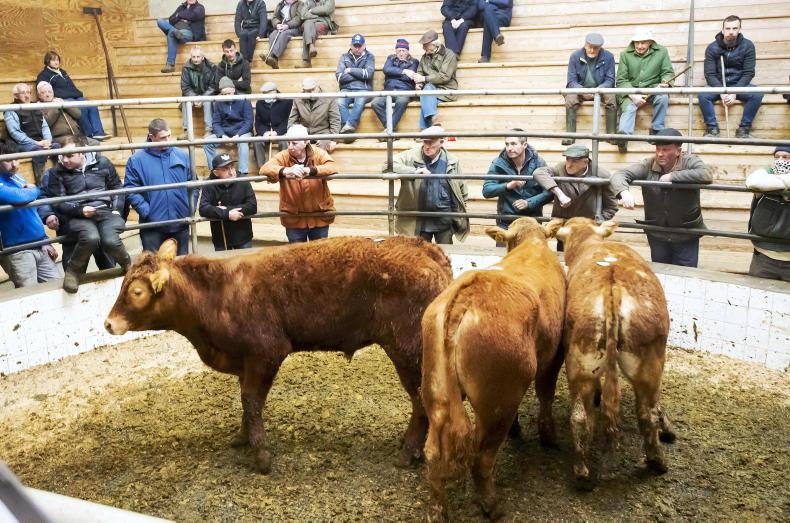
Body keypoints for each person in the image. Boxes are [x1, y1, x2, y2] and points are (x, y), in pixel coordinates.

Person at [610, 128, 712, 267]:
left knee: (686, 273)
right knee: (661, 270)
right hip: (657, 233)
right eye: (658, 149)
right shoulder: (648, 164)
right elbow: (620, 174)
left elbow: (706, 174)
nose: (660, 154)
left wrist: (672, 176)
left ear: (678, 151)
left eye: (665, 149)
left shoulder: (690, 161)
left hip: (686, 232)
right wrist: (624, 192)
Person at [46, 143, 131, 293]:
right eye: (62, 156)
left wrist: (117, 210)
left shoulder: (103, 163)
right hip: (76, 216)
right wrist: (80, 210)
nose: (65, 160)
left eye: (70, 156)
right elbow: (58, 201)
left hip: (104, 212)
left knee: (110, 241)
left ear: (82, 153)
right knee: (91, 237)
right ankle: (73, 273)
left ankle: (129, 266)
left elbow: (117, 187)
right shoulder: (56, 172)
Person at [124, 119, 193, 256]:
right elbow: (130, 189)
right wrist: (147, 211)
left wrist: (189, 207)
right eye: (163, 137)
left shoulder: (182, 155)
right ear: (151, 137)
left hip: (180, 222)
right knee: (152, 264)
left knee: (181, 265)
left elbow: (193, 184)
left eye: (169, 136)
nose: (167, 140)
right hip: (152, 226)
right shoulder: (136, 160)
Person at [259, 124, 338, 243]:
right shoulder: (283, 156)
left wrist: (311, 170)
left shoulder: (318, 153)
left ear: (306, 142)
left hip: (319, 216)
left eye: (294, 143)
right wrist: (285, 171)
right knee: (296, 254)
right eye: (288, 142)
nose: (290, 147)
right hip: (294, 218)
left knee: (319, 253)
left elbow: (332, 167)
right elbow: (264, 169)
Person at [0, 142, 63, 288]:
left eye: (17, 159)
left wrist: (45, 241)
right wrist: (35, 190)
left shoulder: (18, 178)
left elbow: (32, 210)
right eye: (8, 160)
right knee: (28, 294)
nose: (14, 164)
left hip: (38, 244)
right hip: (16, 251)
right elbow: (19, 197)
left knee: (57, 287)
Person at [392, 126, 468, 244]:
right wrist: (413, 172)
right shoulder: (411, 156)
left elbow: (461, 187)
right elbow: (388, 164)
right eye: (425, 142)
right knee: (420, 252)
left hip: (444, 219)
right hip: (419, 221)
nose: (427, 146)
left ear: (441, 142)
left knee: (445, 252)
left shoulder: (452, 161)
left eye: (431, 142)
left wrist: (459, 212)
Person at [700, 15, 763, 138]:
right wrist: (721, 91)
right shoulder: (712, 47)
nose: (731, 32)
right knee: (703, 95)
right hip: (718, 85)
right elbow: (710, 74)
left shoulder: (748, 46)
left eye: (734, 28)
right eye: (728, 28)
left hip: (739, 85)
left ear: (739, 29)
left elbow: (749, 72)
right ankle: (712, 129)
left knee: (757, 94)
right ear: (723, 30)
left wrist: (734, 91)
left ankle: (743, 130)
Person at [615, 28, 674, 153]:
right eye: (637, 42)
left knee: (663, 97)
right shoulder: (625, 55)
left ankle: (657, 130)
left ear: (650, 42)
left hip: (653, 88)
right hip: (631, 89)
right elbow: (621, 80)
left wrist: (665, 82)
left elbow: (668, 72)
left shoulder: (662, 52)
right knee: (629, 107)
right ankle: (623, 138)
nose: (640, 46)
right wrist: (632, 95)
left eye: (643, 43)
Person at [482, 130, 551, 230]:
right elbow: (487, 191)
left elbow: (549, 192)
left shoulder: (539, 163)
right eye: (507, 144)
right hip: (506, 221)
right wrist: (508, 185)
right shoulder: (498, 163)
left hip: (532, 221)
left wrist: (529, 203)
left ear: (524, 145)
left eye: (513, 144)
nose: (509, 148)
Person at [35, 51, 110, 141]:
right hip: (63, 98)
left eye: (57, 60)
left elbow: (71, 86)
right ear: (47, 61)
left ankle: (98, 132)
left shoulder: (62, 72)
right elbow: (41, 89)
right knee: (81, 108)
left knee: (92, 105)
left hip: (75, 96)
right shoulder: (44, 75)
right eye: (53, 60)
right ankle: (88, 134)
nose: (56, 62)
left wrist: (79, 94)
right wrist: (52, 98)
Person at [533, 144, 619, 222]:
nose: (569, 165)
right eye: (567, 159)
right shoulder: (560, 168)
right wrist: (560, 194)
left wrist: (596, 222)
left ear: (585, 162)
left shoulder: (601, 175)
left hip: (585, 227)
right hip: (562, 224)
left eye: (574, 161)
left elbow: (611, 206)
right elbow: (539, 172)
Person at [744, 146, 790, 281]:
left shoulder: (768, 177)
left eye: (786, 157)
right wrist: (785, 182)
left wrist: (775, 183)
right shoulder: (766, 172)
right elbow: (753, 182)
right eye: (777, 157)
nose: (780, 161)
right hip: (764, 255)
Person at [563, 33, 617, 146]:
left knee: (611, 97)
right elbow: (571, 81)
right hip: (580, 90)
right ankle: (570, 135)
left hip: (601, 90)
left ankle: (611, 135)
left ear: (600, 47)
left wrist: (599, 89)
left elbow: (610, 80)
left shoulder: (608, 57)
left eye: (596, 48)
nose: (592, 50)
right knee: (570, 98)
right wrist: (582, 90)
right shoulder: (575, 56)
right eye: (590, 47)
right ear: (585, 44)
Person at [3, 83, 61, 185]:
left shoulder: (35, 106)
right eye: (23, 93)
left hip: (39, 142)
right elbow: (15, 133)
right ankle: (41, 183)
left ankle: (58, 178)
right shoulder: (10, 109)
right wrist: (37, 143)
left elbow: (44, 126)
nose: (26, 95)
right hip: (20, 144)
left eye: (28, 92)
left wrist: (48, 141)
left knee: (56, 146)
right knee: (39, 151)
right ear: (16, 95)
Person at [199, 153, 257, 251]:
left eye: (232, 167)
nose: (231, 172)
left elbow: (252, 206)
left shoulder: (243, 180)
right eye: (226, 169)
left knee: (244, 261)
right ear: (216, 173)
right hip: (221, 237)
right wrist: (227, 214)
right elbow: (203, 209)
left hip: (242, 236)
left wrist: (225, 211)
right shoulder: (209, 184)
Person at [405, 30, 458, 130]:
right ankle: (433, 125)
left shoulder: (449, 54)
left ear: (434, 44)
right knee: (427, 94)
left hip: (446, 90)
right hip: (430, 90)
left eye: (425, 45)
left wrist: (424, 79)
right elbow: (420, 72)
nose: (423, 48)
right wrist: (419, 83)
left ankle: (426, 129)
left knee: (427, 94)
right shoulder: (424, 57)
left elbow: (444, 77)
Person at [204, 77, 253, 176]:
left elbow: (249, 122)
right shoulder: (218, 102)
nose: (226, 96)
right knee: (206, 142)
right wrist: (222, 135)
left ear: (234, 90)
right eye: (224, 94)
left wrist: (238, 135)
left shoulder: (244, 100)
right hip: (225, 132)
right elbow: (216, 123)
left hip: (241, 131)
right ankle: (214, 171)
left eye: (228, 93)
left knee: (243, 142)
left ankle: (243, 173)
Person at [371, 39, 419, 135]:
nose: (401, 53)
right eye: (399, 51)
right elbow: (386, 70)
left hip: (404, 91)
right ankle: (392, 129)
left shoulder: (414, 61)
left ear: (408, 51)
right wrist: (404, 71)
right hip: (388, 90)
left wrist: (394, 73)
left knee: (402, 102)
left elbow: (409, 78)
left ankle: (389, 130)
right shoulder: (391, 58)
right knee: (375, 103)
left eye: (403, 51)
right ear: (396, 51)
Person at [36, 81, 99, 147]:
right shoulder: (39, 107)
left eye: (49, 92)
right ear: (39, 95)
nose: (47, 94)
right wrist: (56, 107)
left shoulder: (60, 100)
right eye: (43, 93)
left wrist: (64, 104)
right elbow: (47, 122)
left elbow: (78, 114)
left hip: (75, 135)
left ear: (53, 92)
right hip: (59, 137)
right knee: (75, 145)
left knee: (95, 143)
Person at [336, 33, 375, 139]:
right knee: (339, 102)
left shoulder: (369, 57)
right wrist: (359, 75)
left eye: (359, 46)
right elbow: (339, 77)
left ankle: (349, 126)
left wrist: (350, 70)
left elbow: (368, 74)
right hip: (346, 89)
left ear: (364, 46)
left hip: (364, 90)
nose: (357, 48)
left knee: (360, 100)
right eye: (355, 46)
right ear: (351, 45)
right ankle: (348, 130)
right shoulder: (344, 57)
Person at [288, 77, 340, 153]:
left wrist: (334, 140)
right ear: (304, 90)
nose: (312, 93)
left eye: (313, 89)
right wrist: (291, 134)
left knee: (323, 144)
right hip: (304, 132)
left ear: (318, 87)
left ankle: (317, 161)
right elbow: (292, 120)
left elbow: (335, 120)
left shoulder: (329, 98)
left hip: (323, 132)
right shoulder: (298, 99)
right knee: (286, 141)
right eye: (308, 91)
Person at [157, 0, 207, 74]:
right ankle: (175, 32)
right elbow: (171, 19)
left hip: (188, 32)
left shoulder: (200, 7)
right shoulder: (181, 7)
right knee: (160, 21)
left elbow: (194, 15)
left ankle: (170, 65)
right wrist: (184, 16)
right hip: (177, 29)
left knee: (171, 33)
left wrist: (179, 15)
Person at [179, 46, 218, 139]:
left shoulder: (212, 67)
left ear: (202, 57)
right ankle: (187, 131)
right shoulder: (186, 68)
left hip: (207, 95)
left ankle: (209, 130)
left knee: (208, 101)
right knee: (185, 101)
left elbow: (213, 86)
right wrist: (195, 97)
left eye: (198, 57)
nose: (195, 59)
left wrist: (202, 98)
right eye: (193, 57)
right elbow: (185, 87)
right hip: (193, 96)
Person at [254, 81, 293, 166]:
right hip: (266, 132)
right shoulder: (260, 103)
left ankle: (284, 167)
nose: (264, 96)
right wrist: (264, 132)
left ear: (274, 92)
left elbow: (288, 121)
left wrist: (277, 132)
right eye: (263, 94)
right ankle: (262, 168)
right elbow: (258, 122)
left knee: (284, 142)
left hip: (282, 131)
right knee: (257, 142)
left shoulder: (287, 101)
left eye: (266, 94)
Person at [263, 0, 303, 69]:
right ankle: (272, 58)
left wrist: (287, 25)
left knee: (284, 34)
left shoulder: (300, 4)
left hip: (294, 28)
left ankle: (274, 57)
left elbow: (298, 18)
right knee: (273, 34)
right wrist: (277, 24)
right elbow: (274, 17)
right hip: (282, 26)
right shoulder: (280, 4)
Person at [299, 0, 338, 68]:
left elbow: (326, 10)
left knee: (308, 27)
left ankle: (306, 60)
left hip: (324, 21)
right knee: (307, 24)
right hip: (310, 21)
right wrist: (315, 16)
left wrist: (311, 10)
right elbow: (303, 14)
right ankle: (311, 46)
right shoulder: (308, 1)